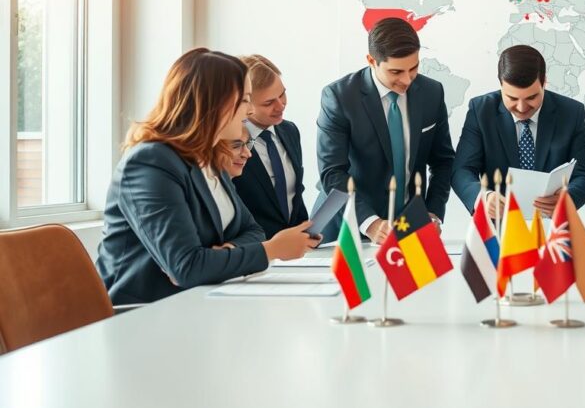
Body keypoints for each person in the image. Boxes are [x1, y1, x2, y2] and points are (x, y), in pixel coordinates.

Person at [96, 48, 320, 304]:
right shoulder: (150, 162)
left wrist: (226, 253)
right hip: (143, 312)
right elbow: (186, 267)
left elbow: (252, 230)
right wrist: (272, 250)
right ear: (218, 104)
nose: (249, 112)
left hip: (200, 299)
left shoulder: (207, 159)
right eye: (245, 100)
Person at [316, 17, 454, 244]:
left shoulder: (432, 92)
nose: (407, 79)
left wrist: (433, 212)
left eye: (414, 68)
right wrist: (370, 222)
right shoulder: (339, 97)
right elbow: (332, 172)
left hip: (409, 229)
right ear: (372, 60)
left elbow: (443, 161)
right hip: (345, 229)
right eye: (396, 72)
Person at [452, 44, 585, 219]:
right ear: (501, 85)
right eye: (511, 98)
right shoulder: (481, 111)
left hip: (552, 226)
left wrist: (568, 199)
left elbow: (583, 175)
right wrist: (483, 197)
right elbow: (462, 170)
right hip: (499, 227)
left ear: (544, 83)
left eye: (531, 97)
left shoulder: (571, 113)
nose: (521, 107)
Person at [232, 55, 309, 239]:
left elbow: (294, 194)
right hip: (254, 251)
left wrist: (307, 232)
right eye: (268, 103)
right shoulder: (229, 142)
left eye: (282, 94)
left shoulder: (289, 130)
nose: (280, 105)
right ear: (245, 104)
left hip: (295, 254)